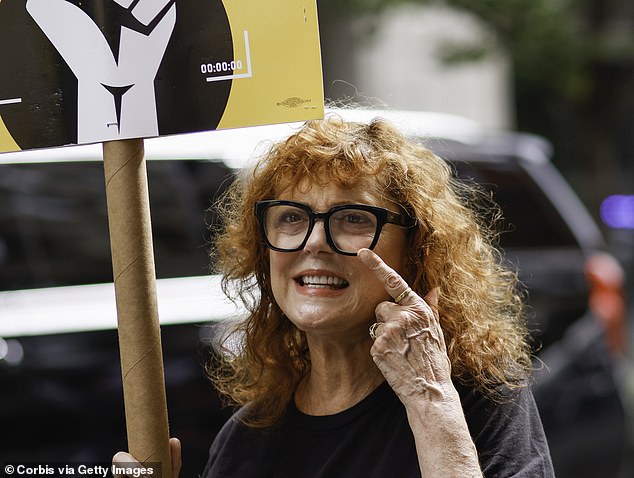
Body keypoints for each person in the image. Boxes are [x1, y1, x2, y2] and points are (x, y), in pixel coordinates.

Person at [114, 114, 555, 477]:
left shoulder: (473, 402)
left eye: (353, 218)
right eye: (290, 217)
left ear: (418, 251)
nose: (313, 242)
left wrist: (429, 401)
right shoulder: (247, 439)